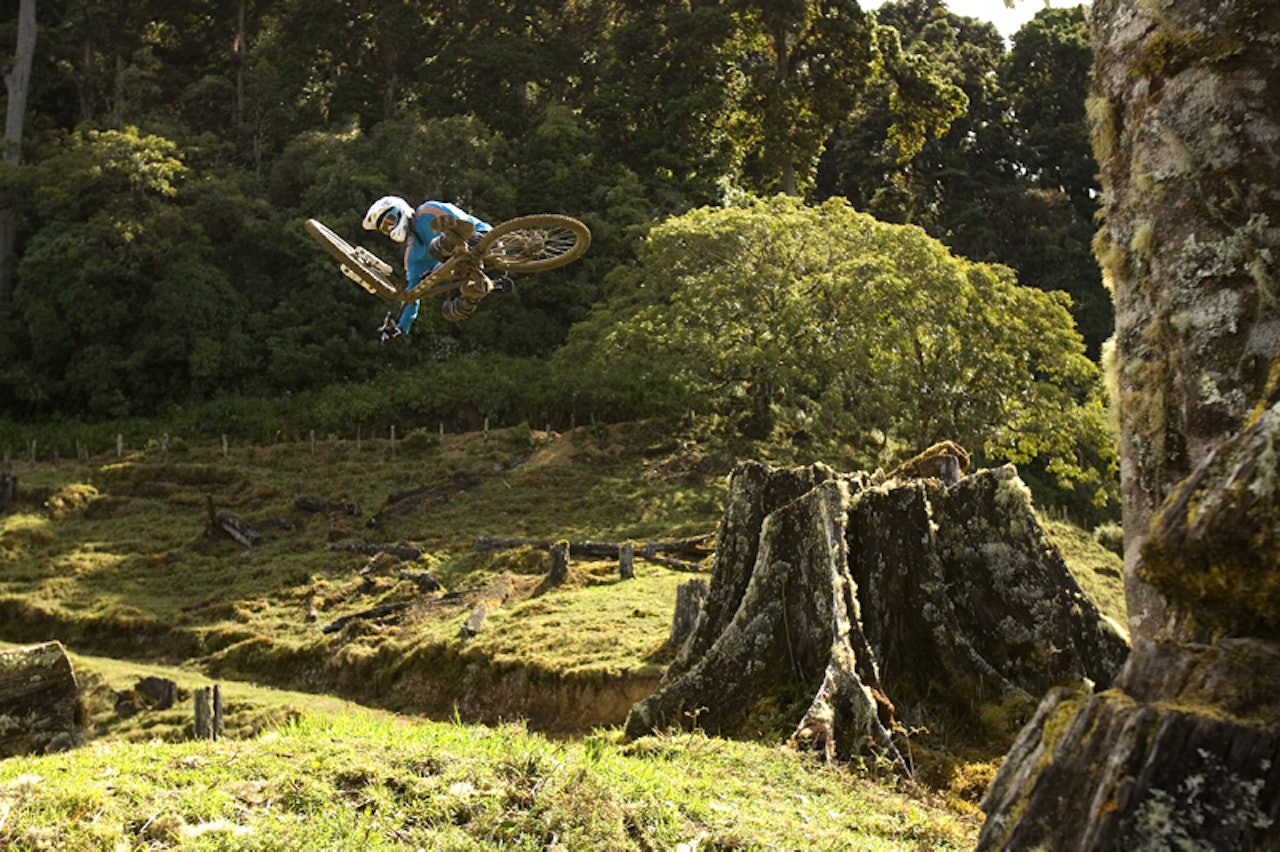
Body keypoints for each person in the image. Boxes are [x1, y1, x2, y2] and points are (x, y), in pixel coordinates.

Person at [362, 196, 512, 341]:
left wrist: (453, 234)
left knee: (436, 248)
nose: (390, 228)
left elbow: (464, 222)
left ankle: (454, 244)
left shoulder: (427, 210)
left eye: (390, 220)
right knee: (451, 311)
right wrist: (401, 327)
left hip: (482, 242)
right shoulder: (412, 256)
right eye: (385, 229)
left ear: (400, 210)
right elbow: (412, 295)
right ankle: (487, 286)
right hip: (479, 270)